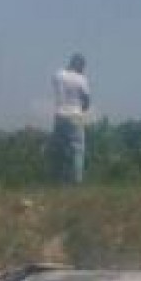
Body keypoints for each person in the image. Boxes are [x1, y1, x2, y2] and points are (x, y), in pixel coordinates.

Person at [51, 53, 91, 184]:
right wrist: (84, 112)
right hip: (76, 113)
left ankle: (59, 179)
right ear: (79, 65)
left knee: (60, 149)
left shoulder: (58, 74)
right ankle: (77, 181)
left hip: (60, 114)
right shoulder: (81, 79)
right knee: (78, 149)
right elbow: (86, 100)